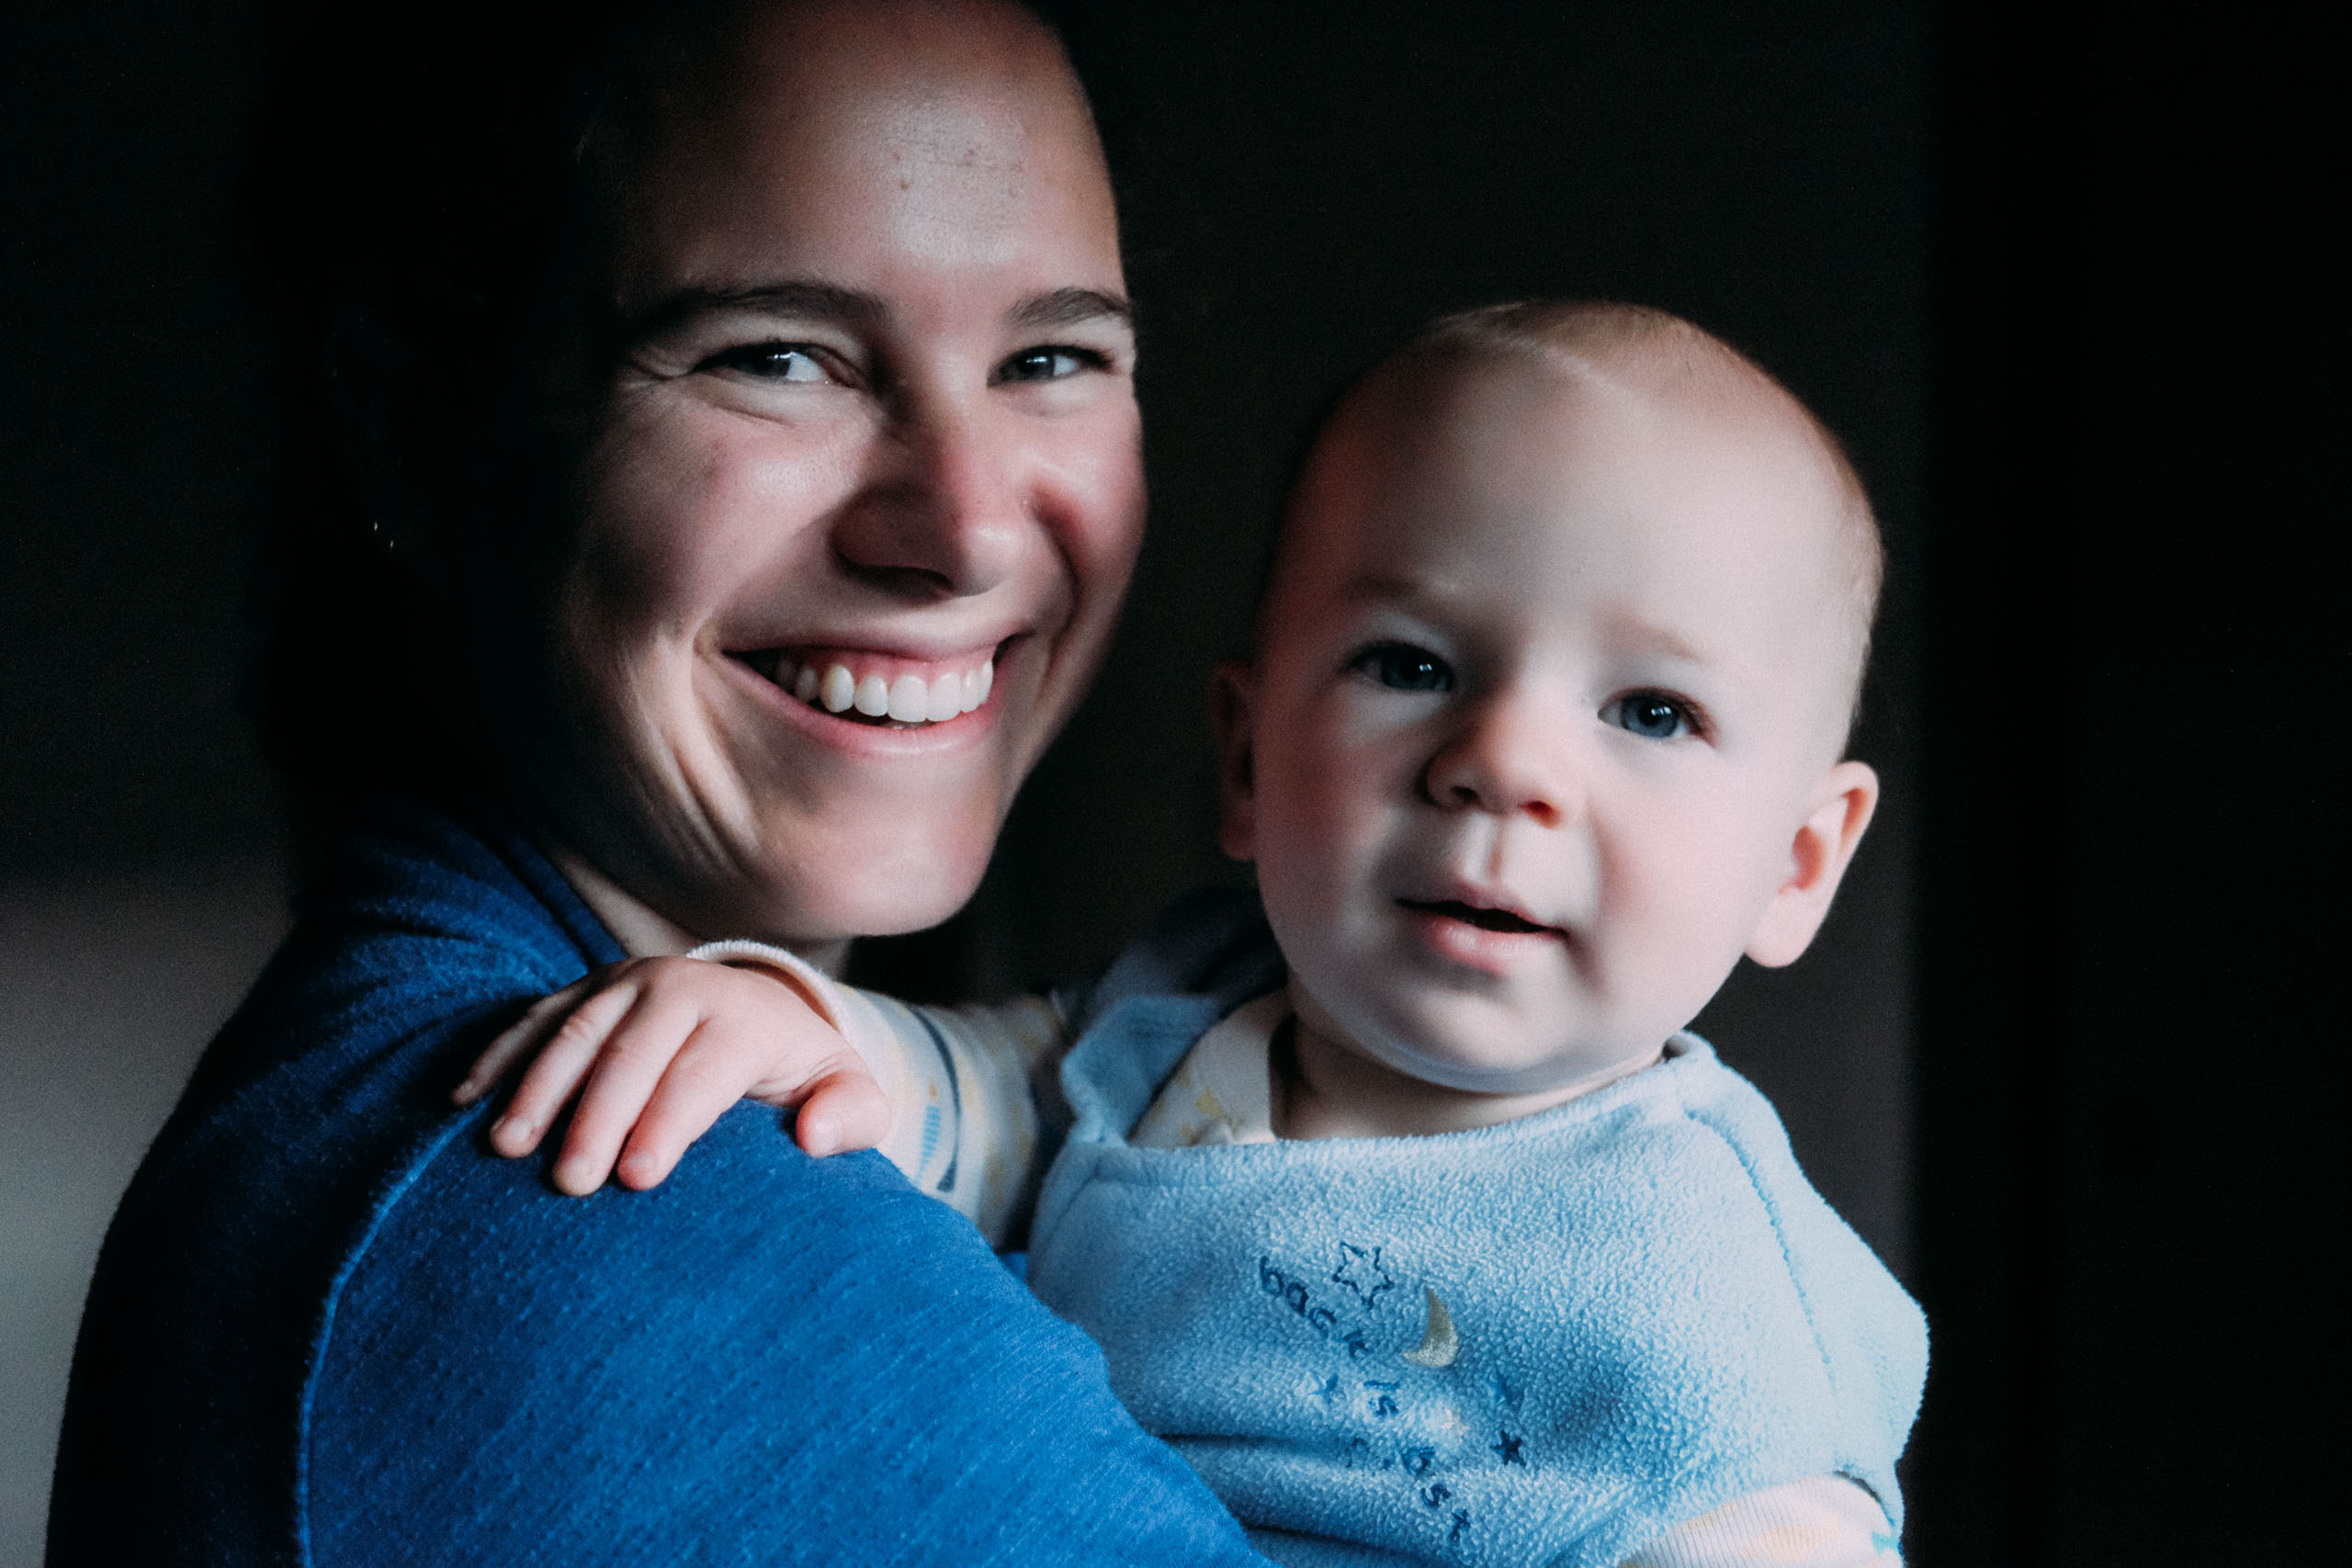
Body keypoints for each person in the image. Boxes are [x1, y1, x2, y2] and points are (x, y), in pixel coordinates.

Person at [46, 2, 1274, 1563]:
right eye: (780, 357)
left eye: (1050, 356)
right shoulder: (595, 1201)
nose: (962, 530)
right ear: (419, 433)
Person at [482, 302, 1928, 1566]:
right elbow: (1002, 1107)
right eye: (1411, 666)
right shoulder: (1193, 996)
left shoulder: (1713, 1322)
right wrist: (811, 1031)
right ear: (1245, 761)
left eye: (1651, 713)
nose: (1503, 760)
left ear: (1797, 863)